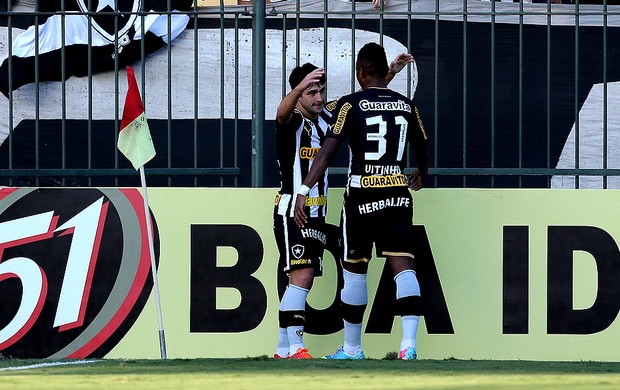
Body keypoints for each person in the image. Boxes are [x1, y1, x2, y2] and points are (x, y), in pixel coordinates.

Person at [293, 42, 429, 361]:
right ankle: (409, 346)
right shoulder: (407, 106)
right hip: (397, 191)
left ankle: (353, 349)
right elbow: (422, 147)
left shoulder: (350, 105)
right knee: (403, 266)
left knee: (354, 269)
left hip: (361, 196)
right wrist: (421, 173)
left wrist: (303, 188)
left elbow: (326, 153)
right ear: (384, 70)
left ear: (360, 72)